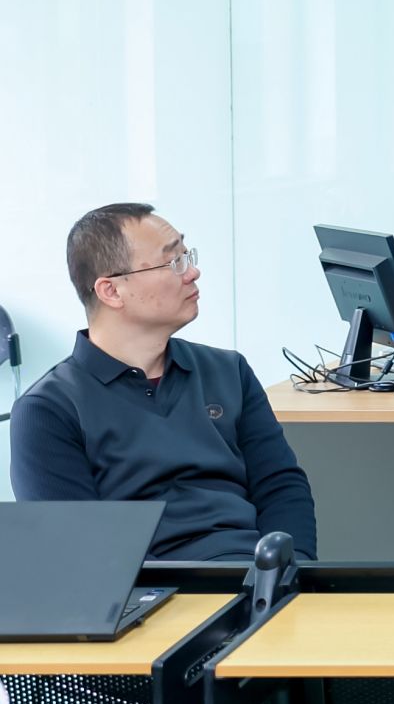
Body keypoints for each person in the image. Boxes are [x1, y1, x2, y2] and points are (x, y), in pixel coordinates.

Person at [10, 202, 318, 561]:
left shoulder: (228, 370)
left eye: (187, 256)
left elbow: (281, 486)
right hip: (148, 590)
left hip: (255, 575)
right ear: (111, 291)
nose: (193, 272)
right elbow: (80, 552)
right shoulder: (47, 411)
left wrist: (289, 572)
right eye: (173, 262)